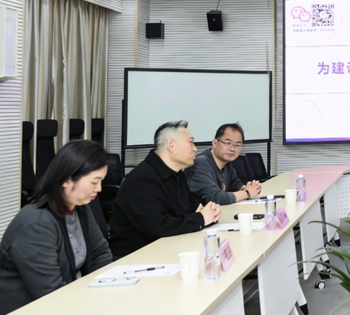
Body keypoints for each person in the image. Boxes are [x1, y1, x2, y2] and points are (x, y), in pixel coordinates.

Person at [0, 140, 113, 314]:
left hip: (72, 300)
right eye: (94, 182)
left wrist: (103, 291)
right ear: (67, 180)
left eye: (101, 181)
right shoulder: (36, 224)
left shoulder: (80, 208)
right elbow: (49, 293)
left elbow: (101, 254)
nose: (99, 189)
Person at [109, 120, 221, 259]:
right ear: (171, 145)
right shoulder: (142, 179)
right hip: (136, 258)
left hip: (169, 248)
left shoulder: (176, 173)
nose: (195, 149)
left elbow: (190, 204)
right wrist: (201, 218)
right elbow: (159, 226)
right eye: (191, 142)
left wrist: (209, 211)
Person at [188, 123, 262, 205]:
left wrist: (250, 188)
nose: (232, 149)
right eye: (227, 143)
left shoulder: (227, 164)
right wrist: (247, 193)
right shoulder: (200, 164)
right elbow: (215, 198)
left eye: (237, 145)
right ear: (215, 143)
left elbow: (235, 185)